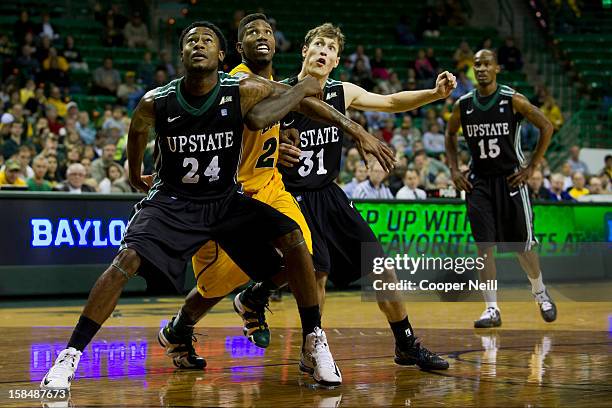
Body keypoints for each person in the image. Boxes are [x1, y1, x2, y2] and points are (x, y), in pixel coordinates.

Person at [40, 20, 357, 391]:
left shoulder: (241, 88)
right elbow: (137, 129)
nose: (199, 45)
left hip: (225, 200)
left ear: (221, 54)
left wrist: (358, 131)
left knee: (295, 238)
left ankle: (312, 339)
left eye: (208, 40)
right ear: (182, 53)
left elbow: (299, 99)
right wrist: (134, 172)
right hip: (174, 201)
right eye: (192, 40)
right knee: (126, 261)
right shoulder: (156, 100)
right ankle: (70, 355)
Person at [157, 15, 392, 385]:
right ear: (236, 48)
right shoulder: (236, 79)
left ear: (277, 42)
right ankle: (179, 330)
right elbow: (268, 112)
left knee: (307, 260)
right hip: (229, 196)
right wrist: (307, 100)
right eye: (251, 32)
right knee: (213, 286)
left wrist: (308, 132)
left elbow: (297, 106)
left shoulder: (272, 82)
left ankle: (309, 338)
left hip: (270, 189)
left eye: (267, 31)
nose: (261, 36)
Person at [265, 23, 456, 370]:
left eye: (330, 48)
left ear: (337, 60)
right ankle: (313, 349)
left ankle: (406, 343)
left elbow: (391, 101)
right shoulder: (280, 92)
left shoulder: (343, 92)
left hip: (330, 193)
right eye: (318, 44)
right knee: (317, 274)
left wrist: (433, 94)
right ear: (305, 50)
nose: (323, 51)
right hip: (291, 196)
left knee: (381, 266)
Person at [445, 49, 557, 328]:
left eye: (486, 64)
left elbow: (546, 126)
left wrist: (530, 167)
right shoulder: (464, 104)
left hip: (510, 180)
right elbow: (449, 134)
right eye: (477, 64)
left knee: (522, 246)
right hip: (479, 182)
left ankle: (540, 292)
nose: (481, 68)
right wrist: (454, 170)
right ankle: (492, 308)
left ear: (497, 68)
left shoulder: (512, 99)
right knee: (484, 247)